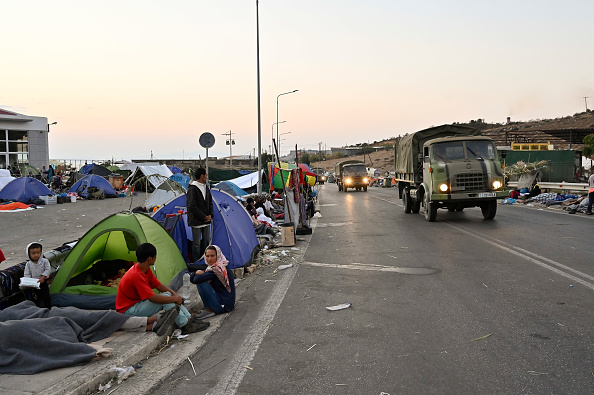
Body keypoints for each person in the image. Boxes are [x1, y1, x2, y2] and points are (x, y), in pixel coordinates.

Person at [116, 243, 208, 335]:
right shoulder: (136, 274)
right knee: (166, 300)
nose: (156, 258)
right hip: (129, 311)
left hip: (138, 304)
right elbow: (152, 298)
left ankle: (188, 319)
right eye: (155, 256)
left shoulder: (145, 269)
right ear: (150, 258)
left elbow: (158, 285)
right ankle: (185, 324)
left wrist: (175, 295)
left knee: (168, 295)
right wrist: (174, 298)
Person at [190, 245, 235, 319]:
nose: (209, 259)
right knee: (201, 279)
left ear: (218, 255)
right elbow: (192, 280)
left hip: (224, 306)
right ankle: (208, 308)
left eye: (212, 256)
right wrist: (196, 273)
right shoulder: (211, 268)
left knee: (201, 282)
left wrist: (195, 273)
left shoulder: (217, 269)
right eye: (207, 256)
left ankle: (209, 309)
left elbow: (196, 280)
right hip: (224, 303)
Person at [187, 168, 213, 261]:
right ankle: (196, 261)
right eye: (206, 175)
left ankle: (205, 260)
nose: (206, 177)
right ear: (202, 176)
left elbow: (210, 202)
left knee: (206, 242)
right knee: (196, 244)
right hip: (196, 221)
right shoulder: (192, 188)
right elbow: (191, 206)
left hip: (206, 221)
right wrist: (203, 216)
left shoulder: (206, 187)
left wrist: (210, 215)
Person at [23, 243, 52, 309]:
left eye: (38, 253)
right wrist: (28, 282)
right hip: (34, 283)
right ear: (29, 254)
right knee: (36, 297)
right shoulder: (28, 264)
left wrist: (43, 277)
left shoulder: (45, 261)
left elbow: (47, 269)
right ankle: (38, 309)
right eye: (33, 253)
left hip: (43, 281)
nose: (36, 255)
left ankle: (49, 308)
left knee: (46, 296)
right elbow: (27, 274)